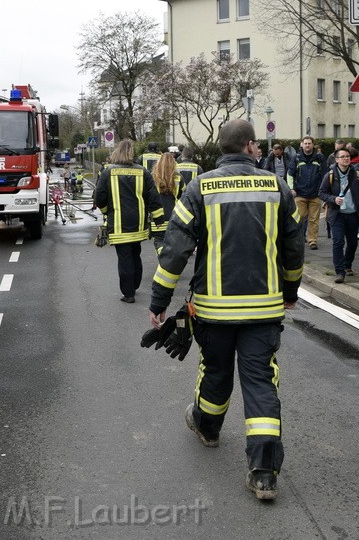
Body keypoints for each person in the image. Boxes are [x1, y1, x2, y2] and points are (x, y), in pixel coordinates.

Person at [149, 120, 304, 501]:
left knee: (215, 371)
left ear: (221, 148)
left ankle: (208, 428)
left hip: (213, 310)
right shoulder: (278, 186)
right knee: (260, 383)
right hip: (264, 310)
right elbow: (294, 246)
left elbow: (175, 251)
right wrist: (290, 290)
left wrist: (158, 301)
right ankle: (264, 473)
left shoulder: (200, 188)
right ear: (251, 146)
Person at [93, 139, 164, 304]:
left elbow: (100, 198)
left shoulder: (108, 172)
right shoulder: (143, 172)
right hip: (139, 222)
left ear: (116, 152)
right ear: (132, 153)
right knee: (135, 253)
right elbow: (153, 197)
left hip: (118, 223)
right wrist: (158, 217)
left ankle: (128, 293)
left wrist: (106, 213)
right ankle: (135, 285)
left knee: (124, 257)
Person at [318, 147, 359, 283]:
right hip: (337, 214)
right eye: (343, 157)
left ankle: (347, 264)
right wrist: (334, 199)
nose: (346, 159)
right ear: (336, 160)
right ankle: (339, 272)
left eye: (348, 157)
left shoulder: (356, 174)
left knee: (353, 243)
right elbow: (321, 192)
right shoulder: (330, 175)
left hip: (352, 214)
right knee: (338, 242)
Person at [288, 135, 325, 250]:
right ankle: (298, 239)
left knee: (314, 220)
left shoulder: (319, 158)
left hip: (315, 194)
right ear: (302, 145)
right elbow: (290, 174)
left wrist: (323, 190)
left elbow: (325, 174)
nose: (307, 145)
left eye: (309, 143)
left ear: (313, 145)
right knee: (299, 218)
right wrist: (291, 189)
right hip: (300, 194)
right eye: (306, 143)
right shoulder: (296, 158)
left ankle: (312, 241)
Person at [151, 152, 179, 252]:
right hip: (174, 218)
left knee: (159, 240)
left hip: (157, 218)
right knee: (171, 242)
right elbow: (183, 199)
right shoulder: (179, 179)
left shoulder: (152, 179)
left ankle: (162, 255)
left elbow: (149, 199)